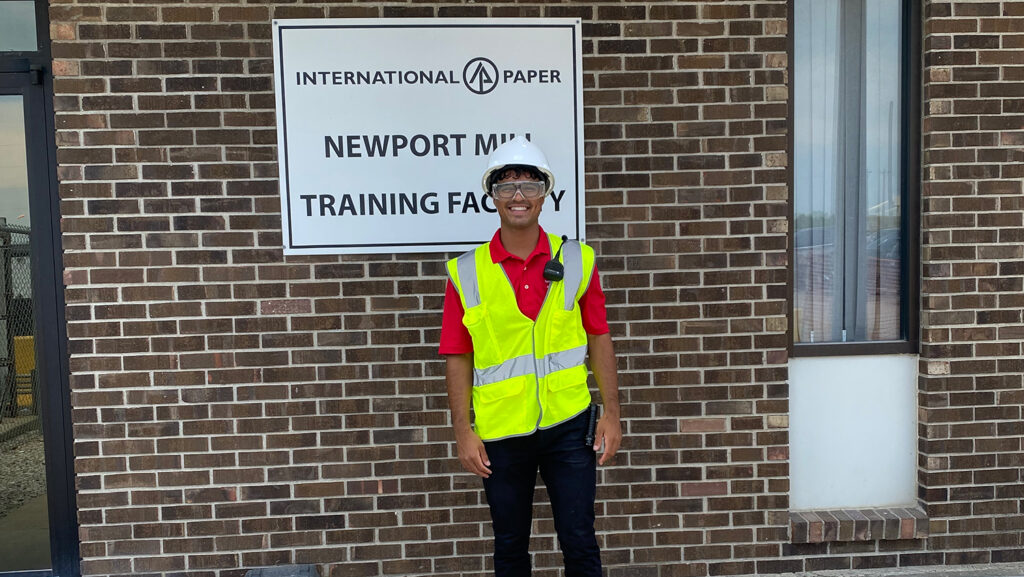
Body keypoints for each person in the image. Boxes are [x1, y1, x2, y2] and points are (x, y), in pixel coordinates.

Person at [439, 136, 621, 577]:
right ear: (492, 197)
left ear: (545, 195)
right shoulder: (466, 272)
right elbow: (458, 356)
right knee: (510, 547)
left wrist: (612, 414)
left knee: (579, 541)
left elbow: (599, 337)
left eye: (529, 185)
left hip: (569, 425)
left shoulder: (577, 259)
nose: (517, 196)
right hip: (501, 433)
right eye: (506, 186)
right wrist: (464, 432)